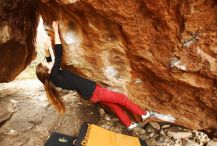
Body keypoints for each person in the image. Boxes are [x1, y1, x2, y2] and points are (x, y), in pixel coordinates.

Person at [36, 21, 174, 131]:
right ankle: (144, 114)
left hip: (90, 94)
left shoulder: (53, 77)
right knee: (122, 99)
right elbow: (58, 54)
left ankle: (129, 124)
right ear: (48, 71)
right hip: (94, 91)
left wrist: (46, 47)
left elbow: (50, 60)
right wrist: (55, 30)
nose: (49, 63)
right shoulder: (54, 73)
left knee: (114, 106)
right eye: (46, 65)